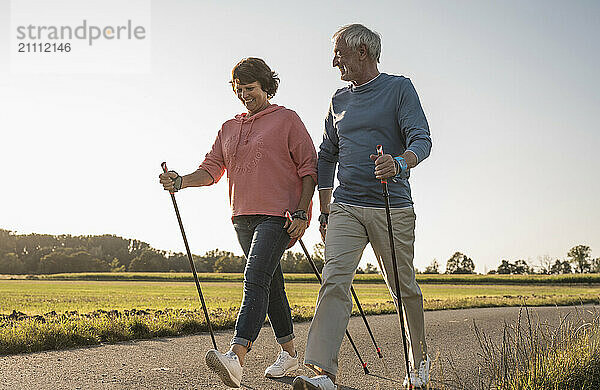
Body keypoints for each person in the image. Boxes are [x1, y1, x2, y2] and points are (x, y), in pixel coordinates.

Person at [159, 57, 317, 388]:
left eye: (251, 89)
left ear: (267, 86)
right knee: (270, 284)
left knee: (255, 276)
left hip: (279, 216)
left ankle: (236, 356)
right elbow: (211, 170)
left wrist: (302, 212)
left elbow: (308, 168)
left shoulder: (287, 119)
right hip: (241, 216)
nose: (245, 95)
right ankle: (289, 356)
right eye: (239, 89)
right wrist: (180, 181)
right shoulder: (228, 128)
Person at [292, 24, 432, 390]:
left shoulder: (399, 88)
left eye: (339, 53)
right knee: (334, 281)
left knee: (403, 288)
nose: (333, 60)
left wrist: (400, 163)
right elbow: (327, 155)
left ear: (362, 53)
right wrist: (324, 210)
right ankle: (323, 373)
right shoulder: (338, 100)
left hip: (391, 205)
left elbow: (422, 138)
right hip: (346, 206)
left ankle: (418, 361)